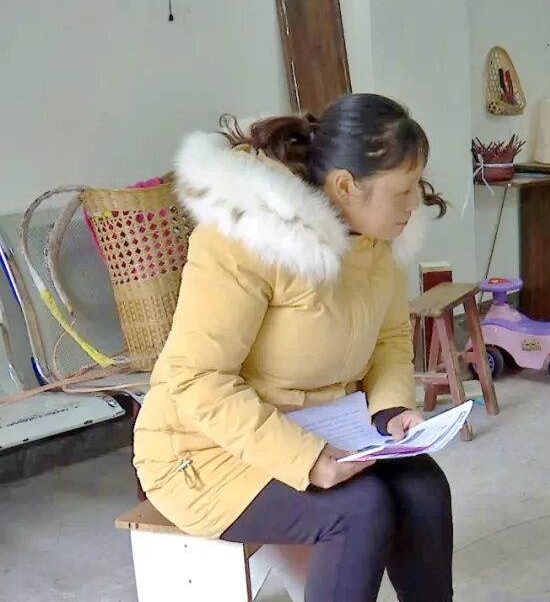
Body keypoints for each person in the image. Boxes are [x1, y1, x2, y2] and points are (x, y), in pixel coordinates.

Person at [132, 93, 454, 602]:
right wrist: (307, 459)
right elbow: (198, 380)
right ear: (346, 186)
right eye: (403, 190)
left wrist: (391, 409)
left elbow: (390, 339)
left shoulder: (377, 242)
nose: (415, 203)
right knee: (360, 509)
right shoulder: (245, 239)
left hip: (317, 424)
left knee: (423, 489)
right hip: (201, 451)